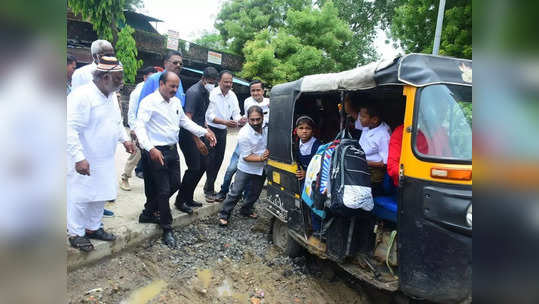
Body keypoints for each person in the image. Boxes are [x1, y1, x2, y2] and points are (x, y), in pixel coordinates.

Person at [134, 71, 217, 248]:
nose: (174, 89)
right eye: (171, 86)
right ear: (161, 84)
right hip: (157, 151)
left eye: (176, 87)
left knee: (175, 184)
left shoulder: (176, 102)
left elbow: (185, 122)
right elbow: (139, 127)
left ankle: (148, 211)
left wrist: (205, 132)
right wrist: (150, 148)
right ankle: (167, 228)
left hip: (173, 150)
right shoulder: (149, 102)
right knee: (164, 191)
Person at [66, 57, 135, 252]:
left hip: (104, 157)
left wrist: (125, 139)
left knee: (100, 194)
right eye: (118, 78)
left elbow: (116, 121)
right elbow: (69, 129)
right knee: (80, 196)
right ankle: (76, 233)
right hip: (83, 157)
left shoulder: (111, 95)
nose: (121, 82)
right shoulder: (82, 95)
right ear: (105, 77)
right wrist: (79, 158)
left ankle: (92, 228)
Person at [70, 39, 117, 216]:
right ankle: (77, 224)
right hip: (87, 130)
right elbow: (77, 104)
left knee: (101, 174)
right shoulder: (82, 74)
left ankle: (96, 212)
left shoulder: (112, 71)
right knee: (84, 178)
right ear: (97, 56)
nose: (112, 57)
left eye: (113, 54)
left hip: (104, 132)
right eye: (108, 54)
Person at [213, 80, 269, 202]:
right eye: (253, 90)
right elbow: (248, 115)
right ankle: (223, 191)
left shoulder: (269, 103)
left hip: (260, 141)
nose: (256, 93)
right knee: (232, 168)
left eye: (258, 90)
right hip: (246, 139)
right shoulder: (248, 101)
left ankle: (245, 199)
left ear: (263, 90)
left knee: (254, 172)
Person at [175, 67, 219, 212]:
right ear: (203, 79)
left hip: (199, 132)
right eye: (210, 82)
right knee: (194, 167)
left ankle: (188, 197)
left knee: (203, 165)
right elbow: (188, 120)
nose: (212, 85)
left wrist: (208, 129)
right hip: (188, 136)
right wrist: (198, 141)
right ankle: (180, 201)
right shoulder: (194, 93)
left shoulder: (206, 92)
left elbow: (201, 116)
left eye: (214, 82)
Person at [218, 106, 268, 227]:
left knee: (255, 192)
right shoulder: (244, 134)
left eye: (258, 119)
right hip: (246, 167)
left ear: (262, 117)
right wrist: (262, 157)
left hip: (262, 167)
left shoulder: (267, 125)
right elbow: (246, 157)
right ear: (248, 119)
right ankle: (224, 214)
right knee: (236, 191)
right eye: (252, 120)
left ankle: (246, 209)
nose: (255, 122)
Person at [203, 70, 246, 202]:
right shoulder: (212, 94)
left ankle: (209, 187)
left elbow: (236, 113)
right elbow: (208, 115)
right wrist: (225, 122)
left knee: (218, 160)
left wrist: (240, 120)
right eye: (225, 82)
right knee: (209, 160)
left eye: (230, 82)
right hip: (211, 129)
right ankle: (209, 190)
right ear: (219, 81)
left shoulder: (232, 95)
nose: (228, 84)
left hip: (222, 131)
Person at [119, 66, 157, 191]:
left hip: (151, 127)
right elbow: (131, 111)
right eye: (151, 77)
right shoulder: (138, 91)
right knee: (136, 153)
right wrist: (134, 129)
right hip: (139, 127)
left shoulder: (155, 89)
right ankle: (125, 177)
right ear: (145, 77)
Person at [134, 50, 185, 117]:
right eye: (175, 63)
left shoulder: (178, 82)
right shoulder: (153, 79)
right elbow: (141, 106)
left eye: (180, 64)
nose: (178, 65)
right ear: (165, 63)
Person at [357, 103, 391, 195]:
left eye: (363, 116)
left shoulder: (383, 135)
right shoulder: (367, 126)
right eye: (360, 115)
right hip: (363, 167)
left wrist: (363, 161)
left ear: (374, 119)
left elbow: (385, 163)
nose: (360, 118)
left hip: (375, 174)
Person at [294, 116, 322, 182]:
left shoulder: (319, 146)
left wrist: (307, 173)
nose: (304, 131)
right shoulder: (295, 144)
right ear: (296, 130)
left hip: (315, 180)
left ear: (312, 131)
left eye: (308, 128)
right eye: (301, 128)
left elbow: (322, 168)